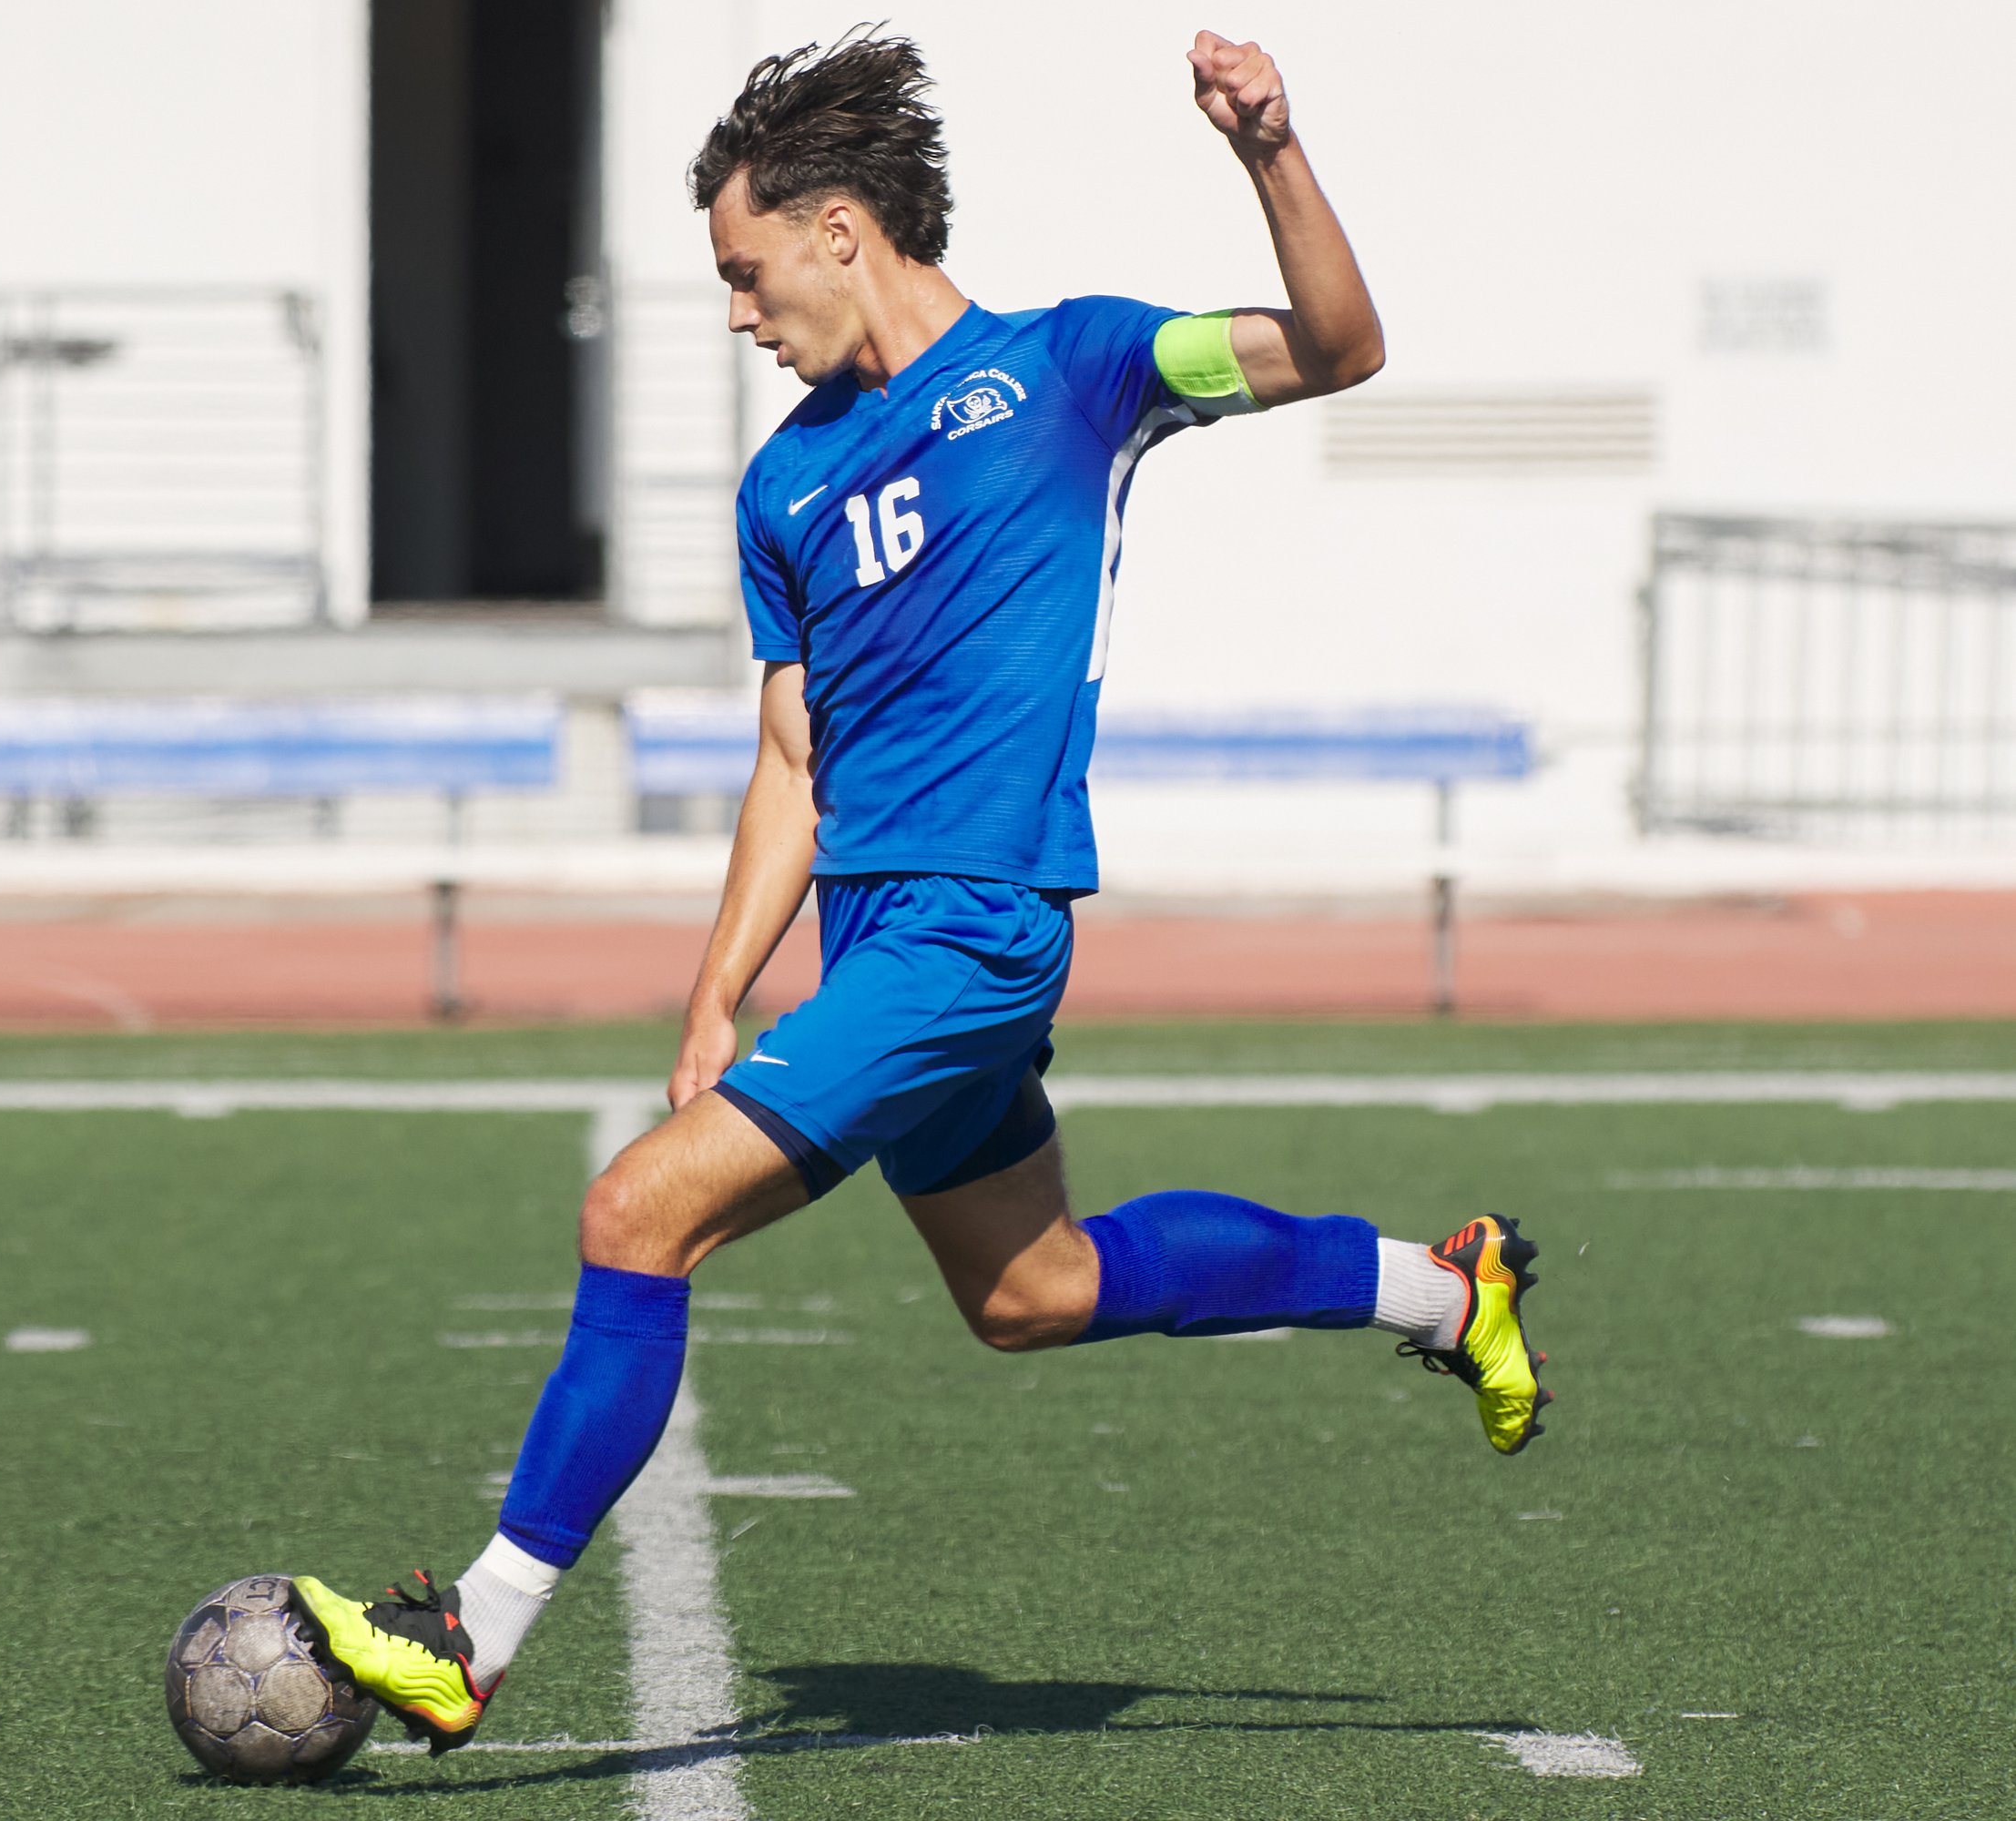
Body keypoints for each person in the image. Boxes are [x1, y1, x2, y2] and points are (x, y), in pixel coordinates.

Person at [294, 25, 1549, 1750]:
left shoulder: (1080, 369)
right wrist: (715, 990)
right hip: (877, 938)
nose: (740, 314)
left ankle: (472, 1637)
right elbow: (792, 764)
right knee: (1032, 1294)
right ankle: (1438, 1283)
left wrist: (1269, 150)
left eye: (744, 272)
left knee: (630, 1216)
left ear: (835, 228)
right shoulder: (784, 482)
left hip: (975, 928)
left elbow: (1341, 347)